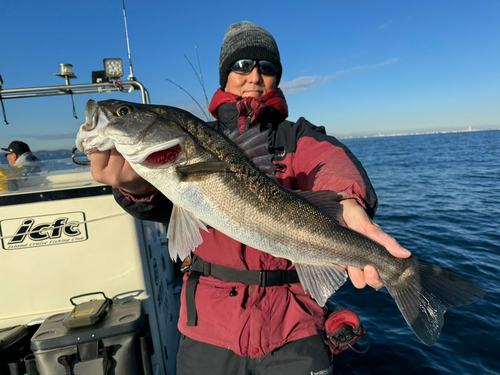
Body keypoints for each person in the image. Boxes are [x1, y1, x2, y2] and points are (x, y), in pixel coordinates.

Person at [89, 21, 411, 375]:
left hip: (295, 325)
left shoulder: (299, 137)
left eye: (267, 68)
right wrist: (134, 186)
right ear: (225, 75)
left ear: (277, 79)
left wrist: (348, 202)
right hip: (208, 326)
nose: (254, 76)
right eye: (242, 65)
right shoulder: (200, 138)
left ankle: (409, 281)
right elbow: (163, 204)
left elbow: (329, 163)